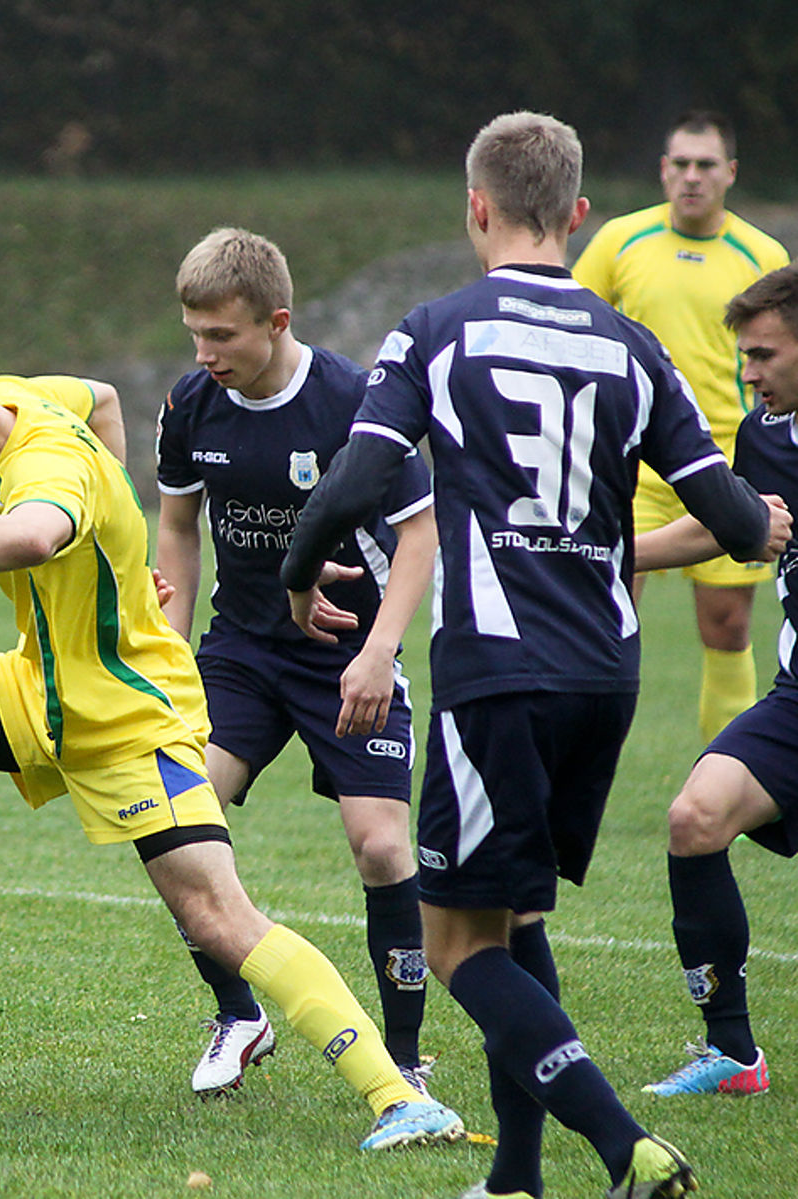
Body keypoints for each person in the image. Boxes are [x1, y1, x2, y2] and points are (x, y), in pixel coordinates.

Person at [0, 336, 464, 1151]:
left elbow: (33, 536)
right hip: (39, 681)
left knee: (219, 916)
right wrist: (124, 554)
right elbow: (104, 397)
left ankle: (397, 1095)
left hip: (124, 712)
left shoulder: (42, 468)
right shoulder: (10, 391)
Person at [280, 112, 788, 1199]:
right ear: (579, 215)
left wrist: (296, 568)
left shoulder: (435, 329)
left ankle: (624, 1146)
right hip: (605, 672)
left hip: (495, 671)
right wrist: (759, 524)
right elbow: (733, 519)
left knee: (456, 941)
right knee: (516, 914)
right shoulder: (631, 343)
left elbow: (356, 480)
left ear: (475, 206)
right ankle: (515, 1175)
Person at [155, 227, 440, 1097]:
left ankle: (403, 1057)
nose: (205, 355)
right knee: (172, 822)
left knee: (382, 848)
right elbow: (175, 524)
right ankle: (239, 1015)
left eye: (222, 336)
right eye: (193, 334)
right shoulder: (191, 403)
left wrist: (378, 651)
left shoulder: (355, 402)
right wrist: (167, 648)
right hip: (240, 651)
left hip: (348, 654)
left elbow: (420, 531)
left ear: (275, 321)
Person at [633, 264, 798, 1098]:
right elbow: (729, 524)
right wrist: (610, 554)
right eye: (743, 356)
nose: (748, 372)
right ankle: (732, 1051)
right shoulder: (765, 431)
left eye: (763, 354)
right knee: (693, 817)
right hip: (795, 700)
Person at [573, 110, 791, 742]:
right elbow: (576, 324)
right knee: (603, 607)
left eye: (706, 165)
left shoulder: (762, 254)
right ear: (663, 170)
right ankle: (581, 761)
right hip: (630, 466)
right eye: (681, 164)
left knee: (725, 625)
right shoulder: (620, 240)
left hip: (724, 461)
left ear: (730, 174)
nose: (692, 177)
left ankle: (726, 769)